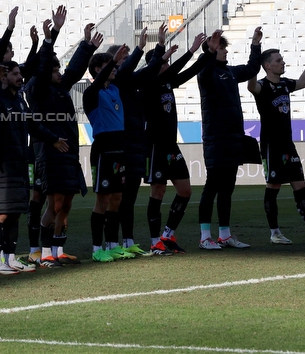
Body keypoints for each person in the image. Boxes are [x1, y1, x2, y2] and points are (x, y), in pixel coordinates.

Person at [25, 6, 99, 267]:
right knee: (54, 205)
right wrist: (52, 35)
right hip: (49, 152)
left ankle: (57, 251)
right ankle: (44, 254)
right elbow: (44, 67)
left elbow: (75, 70)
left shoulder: (60, 88)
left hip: (69, 153)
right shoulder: (38, 90)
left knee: (66, 204)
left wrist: (87, 45)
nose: (60, 73)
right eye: (56, 70)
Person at [0, 61, 65, 275]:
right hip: (1, 166)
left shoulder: (19, 102)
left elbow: (34, 125)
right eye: (16, 74)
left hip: (18, 164)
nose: (20, 77)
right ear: (4, 77)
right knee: (0, 214)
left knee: (15, 213)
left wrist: (53, 139)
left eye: (21, 73)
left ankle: (10, 258)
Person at [246, 38, 305, 244]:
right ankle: (275, 233)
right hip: (271, 146)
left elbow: (302, 82)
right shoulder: (262, 86)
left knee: (300, 186)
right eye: (278, 60)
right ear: (267, 65)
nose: (283, 63)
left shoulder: (284, 84)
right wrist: (255, 55)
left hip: (288, 145)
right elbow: (251, 85)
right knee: (273, 187)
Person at [141, 29, 210, 255]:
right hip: (154, 146)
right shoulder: (148, 85)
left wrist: (207, 51)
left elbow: (191, 71)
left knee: (185, 190)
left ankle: (168, 234)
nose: (167, 66)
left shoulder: (168, 83)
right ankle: (154, 242)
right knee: (158, 191)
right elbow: (179, 68)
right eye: (163, 63)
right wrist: (190, 50)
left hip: (171, 146)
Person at [196, 28, 261, 250]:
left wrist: (255, 45)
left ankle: (225, 234)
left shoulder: (231, 72)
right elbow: (203, 73)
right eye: (221, 48)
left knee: (228, 187)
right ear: (212, 50)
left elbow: (253, 68)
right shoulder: (205, 72)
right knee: (212, 185)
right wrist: (209, 53)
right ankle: (205, 236)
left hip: (234, 137)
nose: (225, 51)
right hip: (216, 137)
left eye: (223, 47)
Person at [104, 28, 158, 258]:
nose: (128, 63)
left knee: (131, 198)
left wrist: (161, 54)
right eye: (123, 59)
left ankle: (129, 241)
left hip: (138, 145)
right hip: (122, 147)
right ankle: (110, 243)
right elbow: (129, 71)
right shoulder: (118, 84)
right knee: (117, 198)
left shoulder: (132, 83)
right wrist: (139, 49)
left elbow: (148, 71)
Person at [83, 43, 136, 262]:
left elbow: (128, 71)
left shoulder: (115, 89)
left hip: (119, 149)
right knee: (102, 200)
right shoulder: (91, 93)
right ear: (97, 69)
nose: (114, 69)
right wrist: (114, 60)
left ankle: (113, 245)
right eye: (108, 66)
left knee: (117, 198)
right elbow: (103, 77)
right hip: (103, 149)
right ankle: (97, 249)